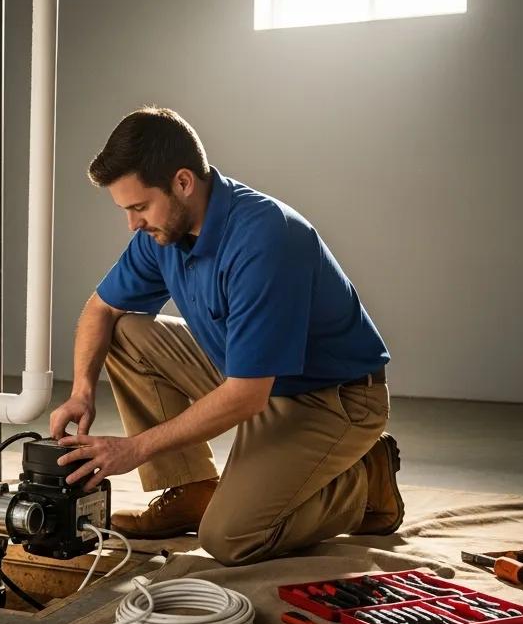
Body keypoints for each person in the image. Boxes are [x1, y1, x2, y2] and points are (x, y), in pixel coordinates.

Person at [51, 107, 402, 567]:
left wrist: (132, 450)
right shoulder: (165, 231)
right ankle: (192, 488)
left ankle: (364, 484)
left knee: (230, 538)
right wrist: (81, 394)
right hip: (253, 378)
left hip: (332, 400)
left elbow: (246, 397)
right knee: (125, 330)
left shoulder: (265, 238)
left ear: (182, 182)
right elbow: (101, 308)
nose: (133, 224)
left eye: (139, 207)